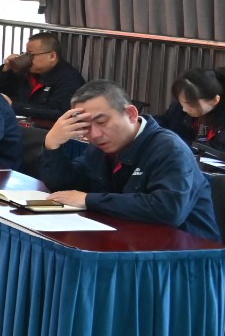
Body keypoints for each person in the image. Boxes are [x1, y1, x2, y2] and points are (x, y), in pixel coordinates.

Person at [34, 80, 219, 241]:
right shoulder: (99, 149)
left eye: (102, 122)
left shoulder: (169, 148)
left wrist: (89, 200)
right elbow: (66, 186)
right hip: (128, 242)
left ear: (131, 114)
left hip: (186, 255)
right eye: (85, 127)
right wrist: (52, 144)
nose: (95, 134)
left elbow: (168, 210)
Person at [0, 32, 85, 119]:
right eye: (26, 54)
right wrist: (6, 70)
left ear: (52, 56)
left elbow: (57, 112)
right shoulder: (27, 73)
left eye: (31, 55)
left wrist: (14, 106)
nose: (28, 59)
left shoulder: (69, 79)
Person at [157, 67, 225, 155]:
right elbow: (164, 123)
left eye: (191, 105)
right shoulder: (180, 109)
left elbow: (219, 149)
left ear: (214, 100)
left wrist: (181, 146)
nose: (184, 109)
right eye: (182, 103)